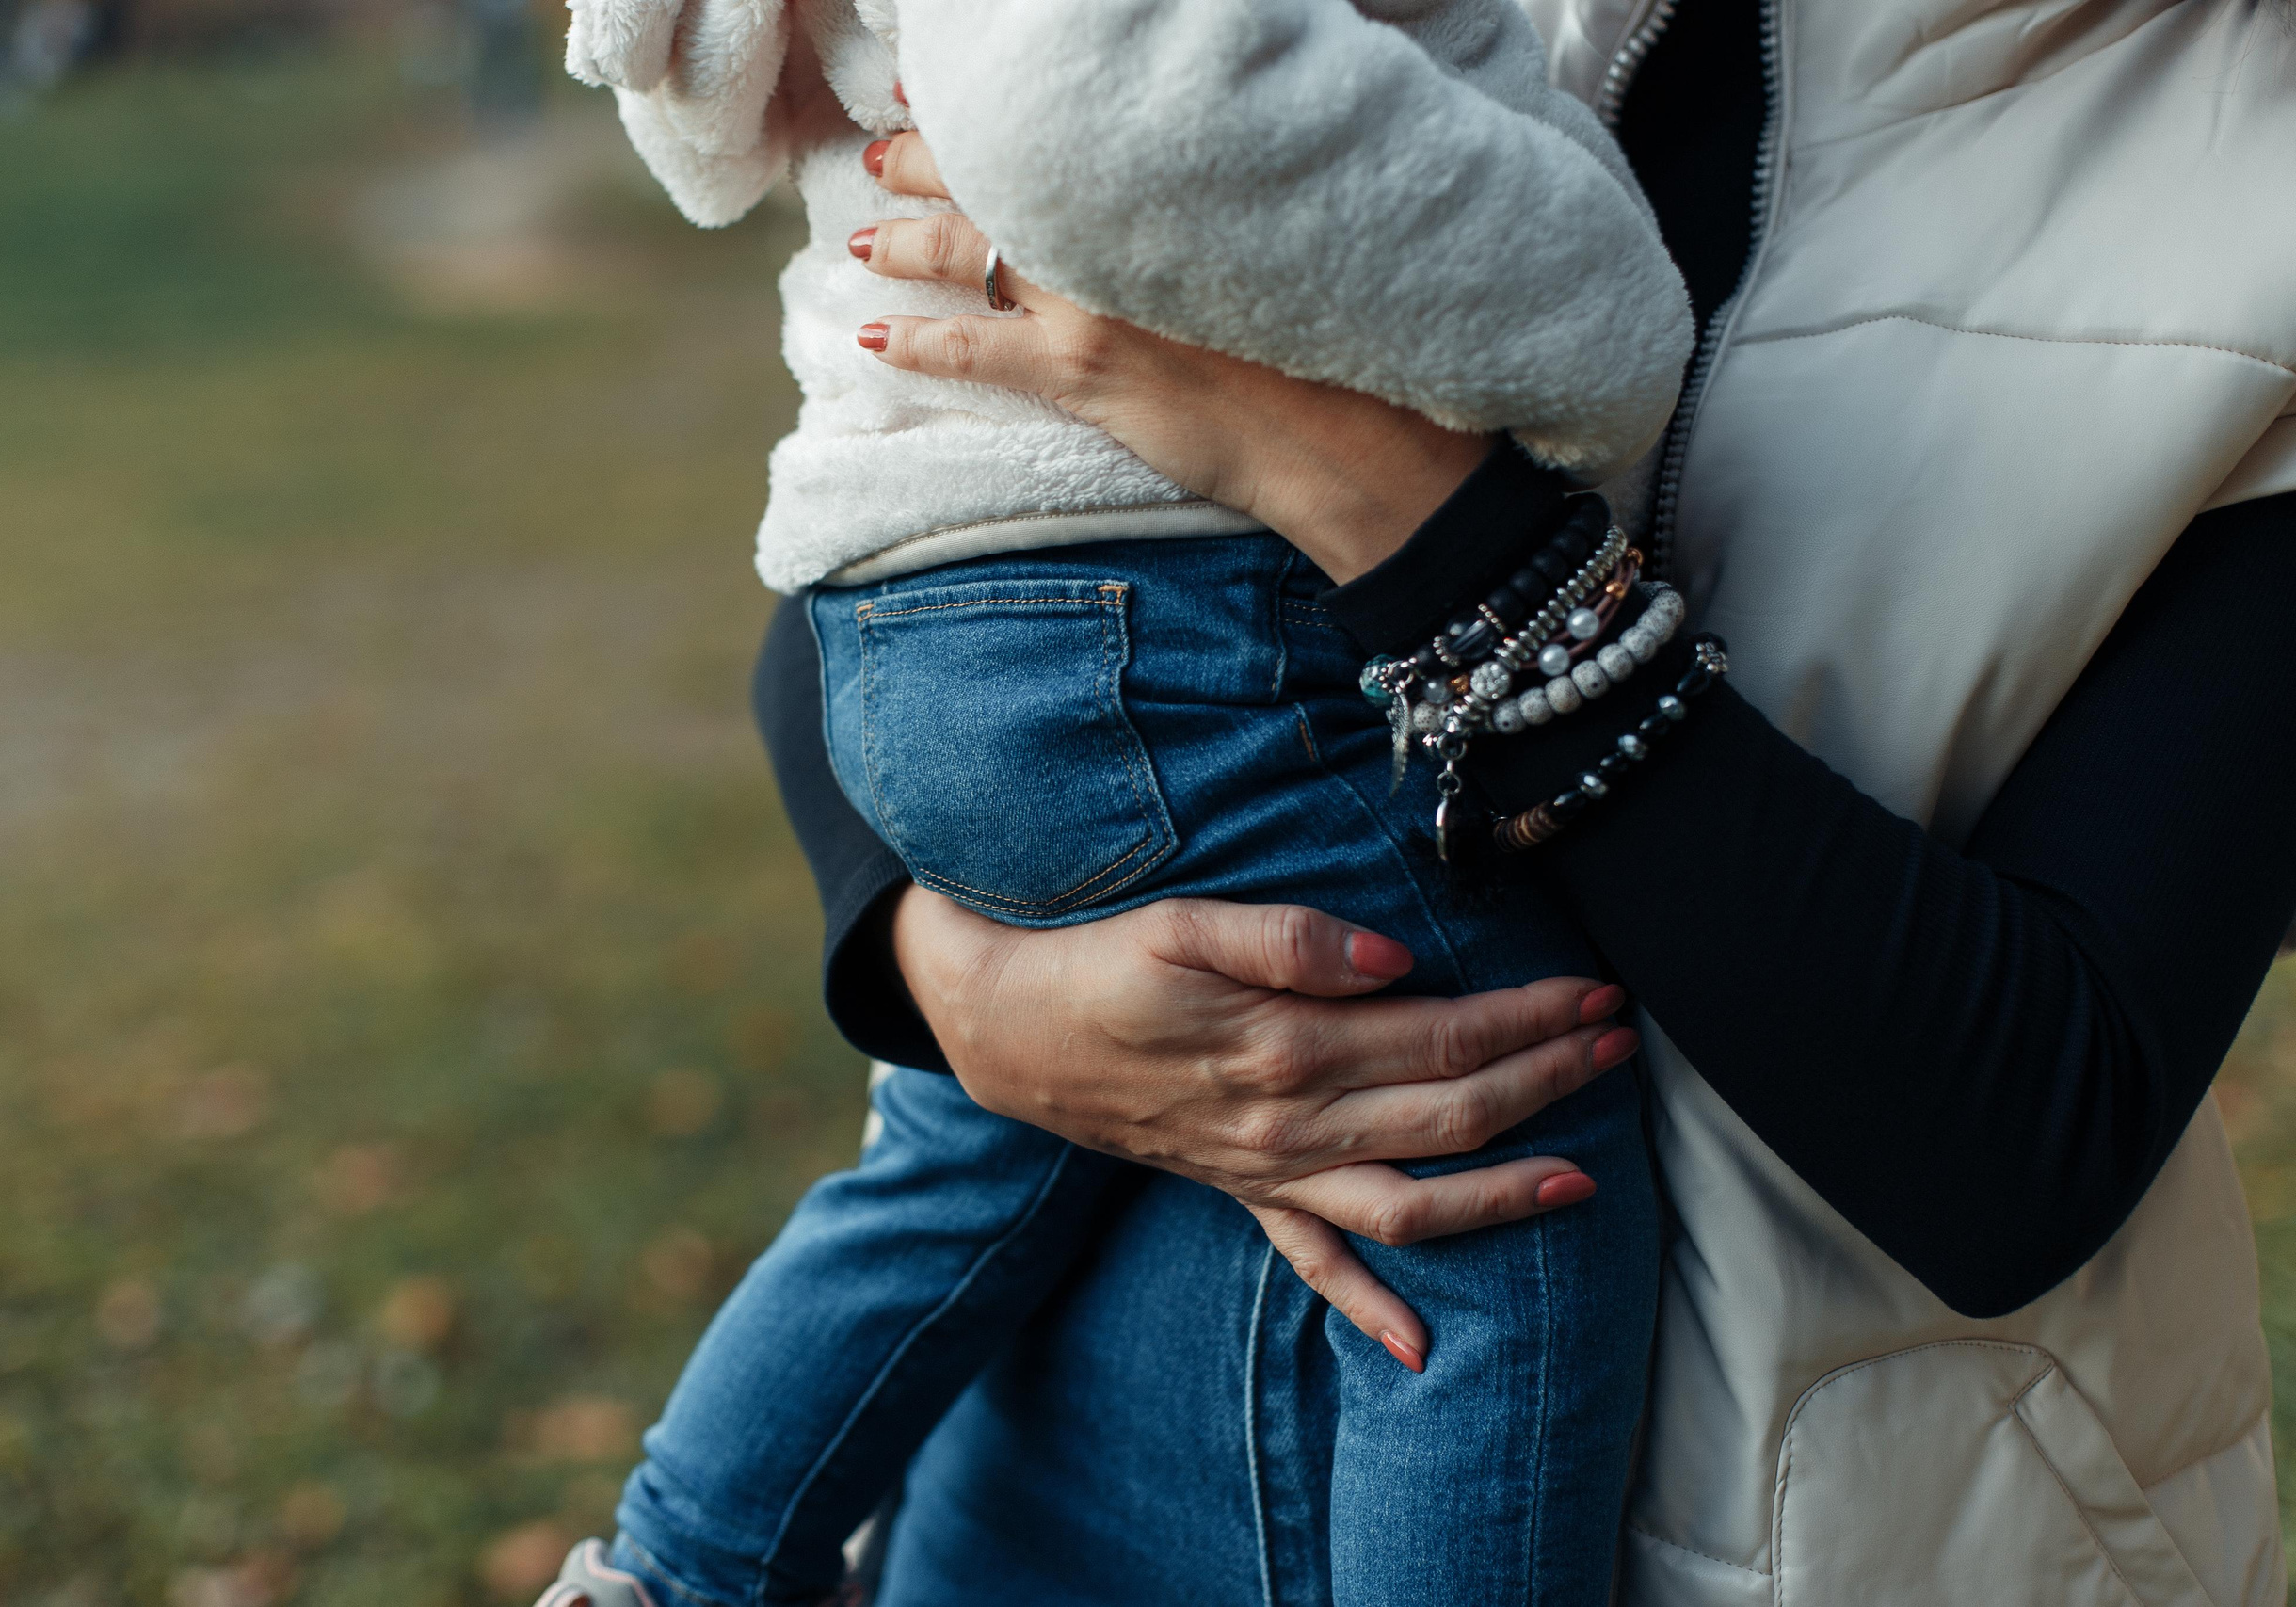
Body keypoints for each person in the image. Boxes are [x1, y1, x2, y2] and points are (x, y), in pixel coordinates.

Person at [739, 0, 2296, 1599]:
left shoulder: (2259, 195)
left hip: (1807, 1534)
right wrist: (952, 978)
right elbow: (882, 548)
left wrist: (1404, 510)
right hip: (1066, 1459)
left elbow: (2032, 1132)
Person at [542, 0, 1702, 1603]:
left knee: (968, 1140)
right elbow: (1080, 88)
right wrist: (1604, 331)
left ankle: (670, 1574)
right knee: (1493, 1168)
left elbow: (734, 131)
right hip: (1172, 612)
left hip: (906, 616)